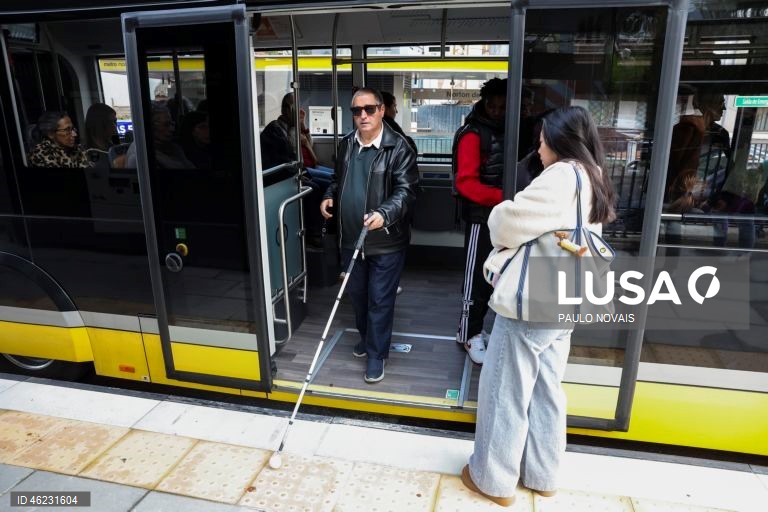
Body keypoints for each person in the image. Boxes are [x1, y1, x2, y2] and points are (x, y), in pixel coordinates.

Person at [461, 106, 616, 507]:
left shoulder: (561, 175)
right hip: (566, 300)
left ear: (560, 142)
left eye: (543, 141)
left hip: (532, 304)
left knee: (505, 390)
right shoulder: (593, 175)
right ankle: (542, 475)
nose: (539, 149)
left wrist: (500, 210)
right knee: (547, 390)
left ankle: (492, 479)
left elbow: (507, 224)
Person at [319, 87, 418, 383]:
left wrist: (384, 213)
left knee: (379, 300)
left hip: (385, 241)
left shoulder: (399, 147)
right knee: (358, 297)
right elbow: (337, 179)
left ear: (381, 110)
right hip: (350, 240)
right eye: (356, 110)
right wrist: (329, 195)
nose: (363, 115)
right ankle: (367, 339)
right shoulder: (347, 144)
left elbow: (407, 191)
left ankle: (376, 354)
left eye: (369, 109)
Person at [453, 77, 508, 365]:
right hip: (480, 218)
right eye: (492, 105)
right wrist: (506, 197)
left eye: (502, 106)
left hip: (500, 215)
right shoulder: (473, 134)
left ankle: (474, 328)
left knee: (491, 279)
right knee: (476, 279)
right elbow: (465, 183)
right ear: (484, 103)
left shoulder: (503, 130)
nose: (497, 111)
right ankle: (468, 333)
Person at [125, 105, 193, 169]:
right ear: (150, 126)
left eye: (172, 124)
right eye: (166, 125)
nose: (172, 129)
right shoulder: (141, 156)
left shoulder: (172, 147)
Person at [84, 103, 126, 168]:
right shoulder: (90, 156)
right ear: (99, 126)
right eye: (110, 122)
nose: (115, 127)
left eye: (115, 122)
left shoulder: (111, 145)